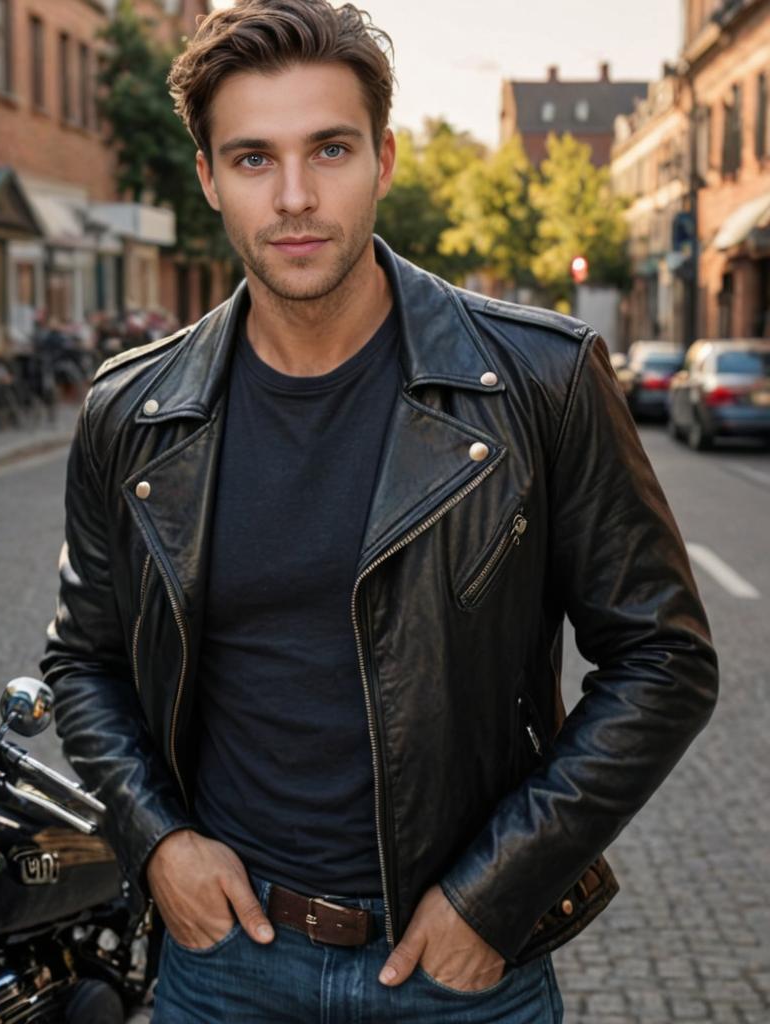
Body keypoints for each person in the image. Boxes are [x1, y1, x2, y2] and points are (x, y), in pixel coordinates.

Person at [41, 2, 718, 1021]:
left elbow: (664, 661)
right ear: (209, 180)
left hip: (454, 967)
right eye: (255, 159)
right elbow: (81, 659)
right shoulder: (132, 412)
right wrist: (161, 844)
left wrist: (492, 895)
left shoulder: (541, 378)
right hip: (224, 960)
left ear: (385, 159)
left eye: (330, 148)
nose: (297, 196)